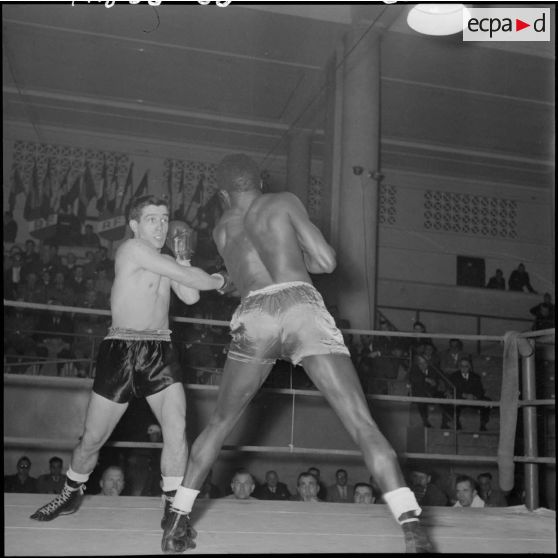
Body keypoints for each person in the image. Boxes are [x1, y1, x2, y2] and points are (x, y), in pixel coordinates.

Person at [161, 154, 433, 553]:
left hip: (254, 313)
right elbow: (325, 261)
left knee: (219, 423)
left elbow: (236, 283)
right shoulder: (283, 202)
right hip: (300, 306)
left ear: (222, 193)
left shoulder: (221, 229)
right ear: (260, 181)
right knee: (361, 423)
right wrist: (289, 252)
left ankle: (176, 524)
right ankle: (411, 527)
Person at [29, 195, 227, 523]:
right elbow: (199, 284)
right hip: (121, 350)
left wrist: (182, 256)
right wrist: (221, 280)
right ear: (134, 225)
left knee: (177, 429)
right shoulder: (132, 250)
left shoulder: (164, 258)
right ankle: (69, 492)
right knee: (93, 439)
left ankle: (172, 509)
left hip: (160, 350)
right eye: (152, 219)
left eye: (165, 219)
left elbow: (189, 297)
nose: (161, 225)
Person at [408, 354, 452, 429]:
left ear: (428, 363)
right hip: (419, 394)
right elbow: (413, 378)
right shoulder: (414, 369)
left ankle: (445, 423)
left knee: (446, 398)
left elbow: (445, 378)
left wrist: (448, 390)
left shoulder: (434, 369)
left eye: (424, 363)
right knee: (421, 400)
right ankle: (426, 423)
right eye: (420, 363)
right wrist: (427, 379)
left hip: (432, 393)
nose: (422, 365)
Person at [450, 358, 491, 431]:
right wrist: (464, 395)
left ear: (469, 367)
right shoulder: (454, 376)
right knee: (453, 404)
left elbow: (480, 390)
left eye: (466, 366)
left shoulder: (475, 376)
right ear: (459, 367)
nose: (464, 368)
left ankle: (483, 425)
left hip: (473, 399)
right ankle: (457, 424)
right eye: (462, 366)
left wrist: (474, 396)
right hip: (460, 400)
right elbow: (452, 390)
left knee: (487, 401)